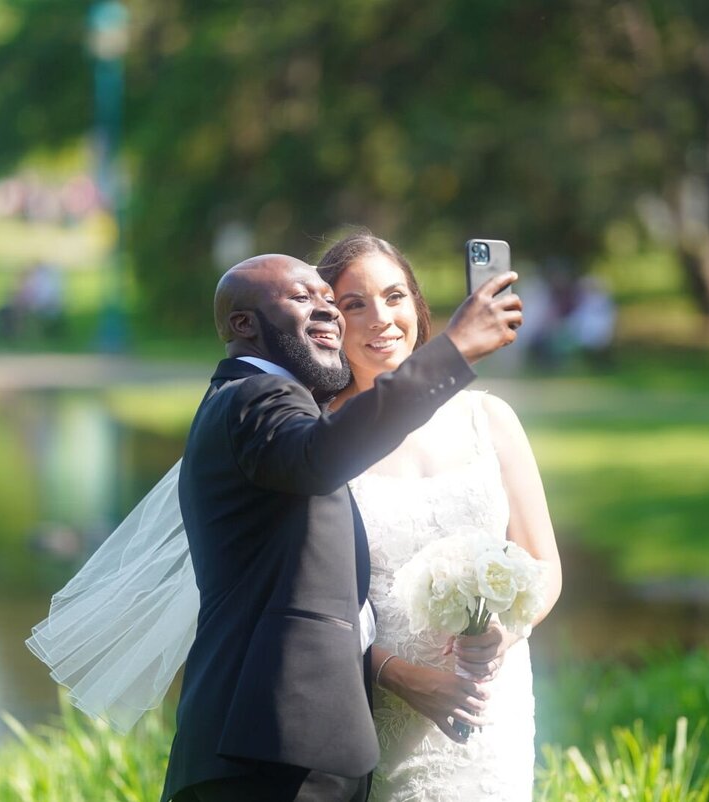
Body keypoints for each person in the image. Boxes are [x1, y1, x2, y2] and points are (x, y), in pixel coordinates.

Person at [166, 254, 520, 802]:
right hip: (268, 755)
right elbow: (322, 454)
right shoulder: (255, 398)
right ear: (243, 325)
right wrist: (458, 349)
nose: (327, 309)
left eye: (330, 299)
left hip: (297, 751)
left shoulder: (262, 407)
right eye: (304, 297)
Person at [317, 232, 562, 801]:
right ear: (331, 322)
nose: (381, 317)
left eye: (395, 295)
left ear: (418, 305)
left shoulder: (489, 418)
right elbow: (311, 604)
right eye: (355, 304)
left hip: (492, 708)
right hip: (385, 712)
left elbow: (544, 562)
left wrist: (506, 631)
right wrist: (398, 676)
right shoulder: (323, 442)